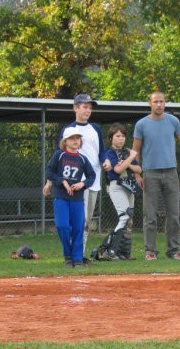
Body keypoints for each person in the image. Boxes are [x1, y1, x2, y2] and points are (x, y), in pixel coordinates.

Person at [44, 94, 106, 260]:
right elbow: (58, 157)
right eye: (84, 106)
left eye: (90, 107)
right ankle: (74, 255)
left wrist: (105, 161)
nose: (88, 110)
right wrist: (49, 183)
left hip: (91, 181)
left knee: (86, 221)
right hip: (72, 183)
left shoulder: (95, 129)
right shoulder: (68, 130)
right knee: (76, 221)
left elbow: (101, 152)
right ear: (75, 108)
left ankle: (80, 253)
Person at [132, 91, 180, 260]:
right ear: (150, 104)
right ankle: (150, 251)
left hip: (171, 172)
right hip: (150, 173)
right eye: (155, 102)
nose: (159, 105)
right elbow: (135, 151)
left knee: (173, 214)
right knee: (150, 215)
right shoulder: (141, 124)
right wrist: (138, 174)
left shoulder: (173, 121)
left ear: (165, 104)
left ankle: (173, 250)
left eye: (162, 102)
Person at [46, 129, 95, 268]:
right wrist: (62, 181)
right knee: (62, 226)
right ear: (65, 141)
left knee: (78, 227)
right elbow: (49, 171)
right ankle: (68, 255)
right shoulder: (59, 155)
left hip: (77, 198)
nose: (75, 141)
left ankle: (77, 258)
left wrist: (83, 184)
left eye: (78, 138)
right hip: (61, 196)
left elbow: (92, 176)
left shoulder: (82, 159)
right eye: (72, 138)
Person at [92, 123, 142, 260]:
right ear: (111, 138)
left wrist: (128, 163)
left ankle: (124, 252)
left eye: (123, 136)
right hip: (116, 186)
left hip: (129, 187)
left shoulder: (126, 151)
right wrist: (131, 158)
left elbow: (139, 170)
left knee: (129, 220)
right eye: (117, 136)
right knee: (125, 216)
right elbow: (117, 170)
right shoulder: (109, 153)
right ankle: (109, 251)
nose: (121, 139)